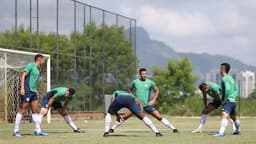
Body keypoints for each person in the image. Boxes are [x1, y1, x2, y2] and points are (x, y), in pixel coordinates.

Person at [109, 68, 178, 134]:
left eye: (145, 74)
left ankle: (173, 128)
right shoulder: (135, 82)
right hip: (136, 105)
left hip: (147, 105)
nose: (144, 75)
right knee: (124, 117)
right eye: (143, 74)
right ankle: (112, 129)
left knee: (159, 117)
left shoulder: (150, 82)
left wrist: (153, 100)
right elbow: (130, 90)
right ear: (140, 74)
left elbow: (157, 90)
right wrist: (133, 98)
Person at [13, 54, 48, 137]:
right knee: (23, 109)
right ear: (39, 60)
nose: (44, 61)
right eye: (43, 60)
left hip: (33, 92)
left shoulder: (38, 69)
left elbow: (33, 81)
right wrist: (22, 88)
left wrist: (35, 90)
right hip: (27, 91)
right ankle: (16, 131)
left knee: (35, 110)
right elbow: (23, 76)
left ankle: (37, 130)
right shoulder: (31, 65)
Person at [213, 63, 240, 137]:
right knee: (234, 118)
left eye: (220, 68)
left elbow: (227, 89)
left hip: (228, 101)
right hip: (233, 101)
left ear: (223, 69)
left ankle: (221, 132)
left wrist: (225, 99)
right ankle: (237, 131)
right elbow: (236, 89)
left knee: (224, 115)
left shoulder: (224, 78)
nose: (219, 70)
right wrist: (233, 97)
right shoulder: (231, 78)